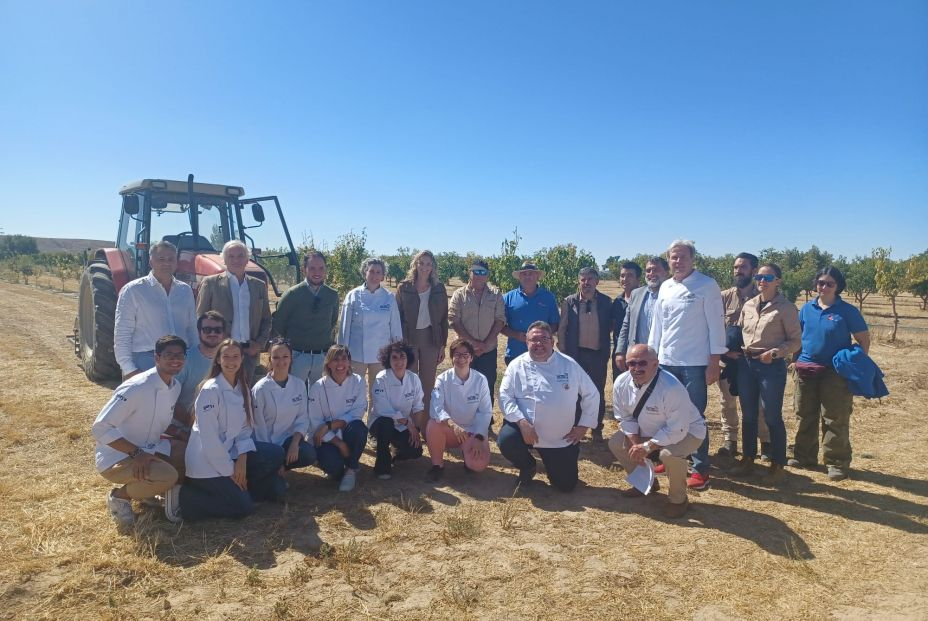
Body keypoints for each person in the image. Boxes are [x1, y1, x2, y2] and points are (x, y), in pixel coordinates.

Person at [173, 339, 285, 522]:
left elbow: (244, 429)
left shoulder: (242, 388)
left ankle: (242, 489)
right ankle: (185, 498)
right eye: (226, 356)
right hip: (207, 461)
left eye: (235, 356)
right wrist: (232, 471)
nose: (231, 361)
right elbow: (209, 441)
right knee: (244, 508)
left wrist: (242, 458)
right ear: (218, 360)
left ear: (242, 359)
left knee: (276, 455)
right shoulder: (210, 390)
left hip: (231, 453)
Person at [648, 239, 726, 490]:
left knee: (694, 416)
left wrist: (714, 361)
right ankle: (672, 457)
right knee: (667, 414)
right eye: (673, 257)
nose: (677, 262)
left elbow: (716, 326)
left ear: (693, 259)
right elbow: (657, 325)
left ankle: (700, 467)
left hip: (694, 363)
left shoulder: (707, 285)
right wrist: (652, 356)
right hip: (666, 362)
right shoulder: (666, 287)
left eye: (682, 257)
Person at [92, 335, 189, 531]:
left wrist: (181, 433)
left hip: (149, 448)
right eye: (169, 355)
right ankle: (119, 497)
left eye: (179, 355)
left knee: (190, 453)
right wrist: (136, 453)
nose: (175, 359)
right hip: (118, 457)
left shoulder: (174, 386)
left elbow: (157, 420)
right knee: (167, 475)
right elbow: (100, 427)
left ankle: (153, 495)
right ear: (157, 357)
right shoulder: (136, 386)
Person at [789, 266, 870, 481]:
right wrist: (794, 361)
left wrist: (854, 363)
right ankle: (804, 456)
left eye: (829, 284)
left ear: (838, 286)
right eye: (821, 283)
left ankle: (836, 463)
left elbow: (863, 339)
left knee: (834, 418)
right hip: (806, 369)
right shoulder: (806, 309)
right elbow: (798, 338)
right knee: (805, 414)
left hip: (835, 373)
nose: (824, 287)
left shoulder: (847, 311)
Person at [498, 321, 599, 491]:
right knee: (506, 440)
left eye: (544, 339)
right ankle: (527, 465)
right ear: (526, 342)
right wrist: (522, 423)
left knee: (566, 486)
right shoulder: (516, 365)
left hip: (558, 439)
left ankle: (563, 458)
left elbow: (592, 394)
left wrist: (583, 426)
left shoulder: (569, 364)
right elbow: (504, 396)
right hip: (526, 432)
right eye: (533, 340)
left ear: (552, 342)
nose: (539, 344)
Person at [608, 345, 707, 518]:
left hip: (688, 431)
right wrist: (636, 444)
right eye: (631, 363)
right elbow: (625, 417)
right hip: (650, 429)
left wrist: (646, 447)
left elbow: (677, 430)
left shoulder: (671, 388)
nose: (636, 368)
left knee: (669, 455)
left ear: (655, 364)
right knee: (616, 443)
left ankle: (678, 500)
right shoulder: (621, 383)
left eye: (642, 363)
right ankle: (645, 483)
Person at [729, 264, 802, 482]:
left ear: (778, 281)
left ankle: (777, 463)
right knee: (749, 415)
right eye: (759, 276)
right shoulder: (749, 305)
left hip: (771, 366)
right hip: (747, 365)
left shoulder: (786, 308)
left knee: (771, 416)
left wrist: (776, 353)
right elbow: (738, 331)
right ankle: (748, 459)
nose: (762, 280)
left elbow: (796, 340)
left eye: (768, 277)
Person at [114, 241, 197, 379]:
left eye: (171, 259)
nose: (167, 263)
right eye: (161, 259)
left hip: (181, 361)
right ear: (151, 262)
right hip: (146, 361)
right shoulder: (133, 290)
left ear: (176, 263)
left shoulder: (185, 290)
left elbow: (191, 327)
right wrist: (129, 369)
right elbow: (122, 332)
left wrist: (195, 360)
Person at [196, 240, 272, 382]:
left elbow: (267, 319)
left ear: (247, 259)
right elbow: (201, 318)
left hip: (248, 353)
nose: (236, 260)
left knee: (244, 393)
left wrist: (259, 344)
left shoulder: (259, 286)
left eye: (240, 255)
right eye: (231, 256)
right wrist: (211, 347)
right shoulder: (211, 283)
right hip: (220, 352)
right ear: (224, 259)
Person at [718, 252, 770, 458]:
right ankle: (730, 441)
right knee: (727, 402)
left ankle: (765, 442)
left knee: (758, 404)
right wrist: (724, 351)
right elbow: (713, 327)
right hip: (727, 360)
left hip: (752, 361)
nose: (738, 271)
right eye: (735, 267)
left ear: (754, 271)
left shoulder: (764, 298)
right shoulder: (723, 297)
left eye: (743, 267)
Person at [337, 257, 402, 411]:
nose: (374, 275)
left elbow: (395, 328)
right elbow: (344, 327)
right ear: (365, 273)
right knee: (352, 391)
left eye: (378, 272)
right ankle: (352, 423)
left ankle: (374, 426)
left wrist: (398, 352)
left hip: (381, 355)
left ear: (383, 276)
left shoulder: (389, 298)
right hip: (355, 354)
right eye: (371, 271)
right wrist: (341, 352)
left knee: (378, 393)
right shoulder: (352, 295)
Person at [556, 267, 613, 440]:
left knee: (597, 392)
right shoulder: (569, 301)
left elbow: (610, 326)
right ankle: (574, 426)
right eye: (583, 279)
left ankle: (596, 428)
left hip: (597, 355)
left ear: (597, 281)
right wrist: (565, 352)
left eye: (590, 279)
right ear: (578, 282)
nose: (586, 283)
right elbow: (562, 328)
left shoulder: (606, 302)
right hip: (576, 355)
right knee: (574, 392)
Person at [395, 250, 449, 426]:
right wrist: (398, 343)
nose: (425, 267)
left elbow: (443, 319)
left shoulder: (439, 288)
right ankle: (408, 422)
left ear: (433, 267)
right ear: (415, 265)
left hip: (431, 338)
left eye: (428, 263)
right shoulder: (404, 288)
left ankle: (424, 422)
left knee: (427, 381)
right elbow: (397, 316)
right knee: (409, 380)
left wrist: (442, 345)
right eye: (421, 263)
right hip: (408, 337)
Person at [426, 339, 493, 480]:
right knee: (433, 424)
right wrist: (452, 424)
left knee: (478, 465)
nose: (461, 358)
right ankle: (437, 465)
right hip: (450, 430)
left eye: (465, 355)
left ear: (471, 358)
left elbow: (485, 412)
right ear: (451, 358)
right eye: (457, 355)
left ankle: (467, 455)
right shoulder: (442, 379)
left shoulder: (481, 380)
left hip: (472, 431)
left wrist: (479, 437)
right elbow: (436, 408)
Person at [307, 345, 370, 491]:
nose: (340, 364)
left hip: (343, 431)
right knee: (333, 468)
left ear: (349, 362)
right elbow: (315, 423)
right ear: (328, 363)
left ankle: (351, 469)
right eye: (335, 360)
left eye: (344, 359)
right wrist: (340, 444)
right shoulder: (317, 387)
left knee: (360, 429)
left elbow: (358, 412)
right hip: (325, 439)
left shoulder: (358, 381)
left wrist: (330, 425)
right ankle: (339, 464)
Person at [252, 338, 317, 480]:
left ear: (291, 358)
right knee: (276, 493)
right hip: (267, 445)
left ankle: (284, 466)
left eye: (285, 357)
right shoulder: (260, 389)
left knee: (309, 454)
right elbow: (259, 427)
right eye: (276, 357)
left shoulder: (299, 385)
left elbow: (302, 418)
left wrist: (295, 443)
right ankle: (274, 468)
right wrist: (272, 455)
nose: (281, 362)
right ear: (269, 359)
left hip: (288, 440)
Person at [272, 251, 340, 385]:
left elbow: (332, 321)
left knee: (318, 396)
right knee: (295, 395)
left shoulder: (332, 295)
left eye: (321, 268)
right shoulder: (292, 294)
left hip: (322, 356)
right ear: (304, 270)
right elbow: (279, 322)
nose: (317, 272)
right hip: (298, 356)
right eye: (312, 268)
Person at [448, 258, 506, 411]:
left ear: (487, 275)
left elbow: (500, 320)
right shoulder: (459, 295)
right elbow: (454, 320)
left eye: (483, 272)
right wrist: (472, 343)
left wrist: (485, 344)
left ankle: (486, 422)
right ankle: (464, 418)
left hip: (488, 350)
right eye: (476, 271)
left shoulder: (496, 294)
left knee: (487, 385)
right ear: (470, 273)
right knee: (463, 384)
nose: (479, 275)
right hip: (464, 351)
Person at [369, 340, 425, 480]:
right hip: (380, 423)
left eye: (403, 357)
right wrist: (408, 423)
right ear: (388, 359)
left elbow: (418, 407)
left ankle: (397, 451)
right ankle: (382, 465)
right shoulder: (381, 378)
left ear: (408, 359)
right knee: (386, 423)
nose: (399, 361)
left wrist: (416, 430)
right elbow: (383, 409)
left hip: (403, 425)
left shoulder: (413, 379)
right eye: (394, 357)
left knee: (415, 451)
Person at [173, 310, 227, 427]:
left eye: (218, 330)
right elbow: (169, 400)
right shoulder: (185, 360)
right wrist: (194, 424)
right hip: (185, 427)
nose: (212, 333)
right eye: (207, 330)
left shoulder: (229, 360)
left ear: (223, 334)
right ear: (198, 332)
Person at [615, 257, 669, 372]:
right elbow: (626, 324)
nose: (651, 273)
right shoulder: (636, 294)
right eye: (648, 270)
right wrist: (620, 351)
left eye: (656, 270)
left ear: (666, 272)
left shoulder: (673, 294)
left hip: (664, 357)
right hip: (638, 358)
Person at [501, 261, 560, 365]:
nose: (527, 277)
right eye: (524, 274)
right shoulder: (508, 298)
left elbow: (555, 323)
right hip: (515, 353)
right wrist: (516, 335)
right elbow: (500, 325)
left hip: (542, 353)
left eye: (531, 273)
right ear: (519, 277)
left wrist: (541, 337)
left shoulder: (548, 297)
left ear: (537, 276)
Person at [610, 261, 642, 377]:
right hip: (621, 355)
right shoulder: (617, 302)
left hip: (641, 356)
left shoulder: (647, 300)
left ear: (638, 279)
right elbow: (613, 328)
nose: (625, 279)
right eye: (622, 275)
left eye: (630, 275)